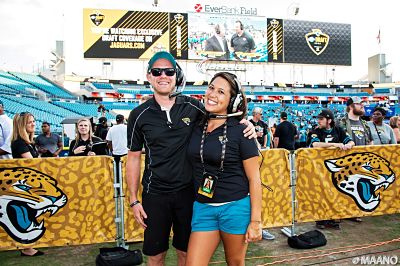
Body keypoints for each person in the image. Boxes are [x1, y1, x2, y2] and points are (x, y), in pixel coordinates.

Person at [126, 51, 255, 266]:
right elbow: (132, 159)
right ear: (149, 76)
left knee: (185, 253)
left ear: (176, 75)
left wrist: (246, 122)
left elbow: (224, 116)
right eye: (157, 71)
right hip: (154, 194)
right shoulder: (139, 114)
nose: (163, 76)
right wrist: (133, 199)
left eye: (168, 71)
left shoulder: (194, 106)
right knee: (155, 255)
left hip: (189, 194)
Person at [186, 72, 262, 265]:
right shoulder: (196, 124)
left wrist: (255, 222)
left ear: (232, 101)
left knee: (235, 263)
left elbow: (255, 179)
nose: (213, 94)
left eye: (221, 92)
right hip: (203, 207)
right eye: (211, 88)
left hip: (235, 208)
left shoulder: (242, 131)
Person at [306, 109, 355, 230]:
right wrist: (335, 145)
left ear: (329, 120)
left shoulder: (338, 130)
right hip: (319, 168)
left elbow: (351, 141)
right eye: (318, 118)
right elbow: (315, 144)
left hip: (335, 169)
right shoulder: (315, 130)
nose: (319, 121)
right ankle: (321, 219)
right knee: (320, 193)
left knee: (335, 192)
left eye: (321, 119)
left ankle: (333, 217)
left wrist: (349, 145)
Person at [10, 112, 44, 256]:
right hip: (24, 185)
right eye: (29, 122)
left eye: (34, 121)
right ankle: (27, 248)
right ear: (21, 125)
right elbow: (33, 163)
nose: (33, 124)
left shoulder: (27, 142)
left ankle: (29, 246)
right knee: (26, 215)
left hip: (29, 184)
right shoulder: (19, 143)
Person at [337, 96, 373, 223]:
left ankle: (355, 211)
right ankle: (341, 211)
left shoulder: (364, 123)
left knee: (359, 186)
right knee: (343, 186)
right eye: (359, 104)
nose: (362, 106)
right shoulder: (341, 122)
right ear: (351, 106)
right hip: (345, 160)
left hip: (362, 161)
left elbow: (370, 141)